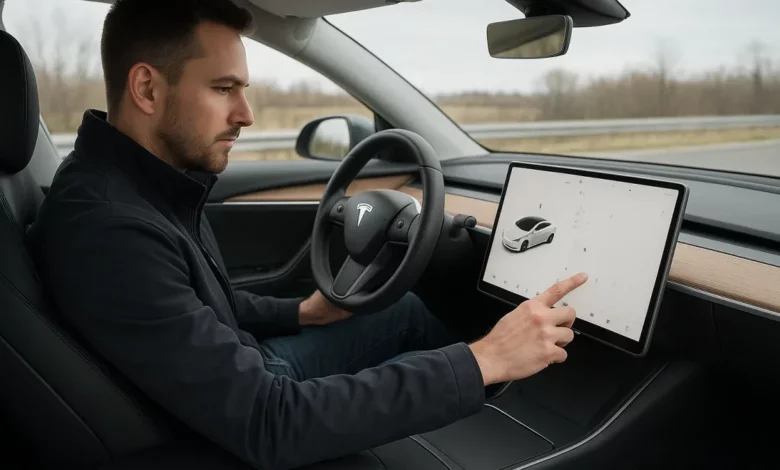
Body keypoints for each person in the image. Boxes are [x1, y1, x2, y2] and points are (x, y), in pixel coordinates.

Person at [26, 0, 587, 468]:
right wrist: (484, 360)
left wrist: (301, 314)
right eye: (224, 88)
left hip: (227, 379)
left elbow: (194, 307)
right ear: (147, 88)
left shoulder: (134, 183)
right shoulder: (108, 230)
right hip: (232, 419)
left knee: (405, 313)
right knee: (443, 341)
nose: (246, 113)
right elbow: (273, 421)